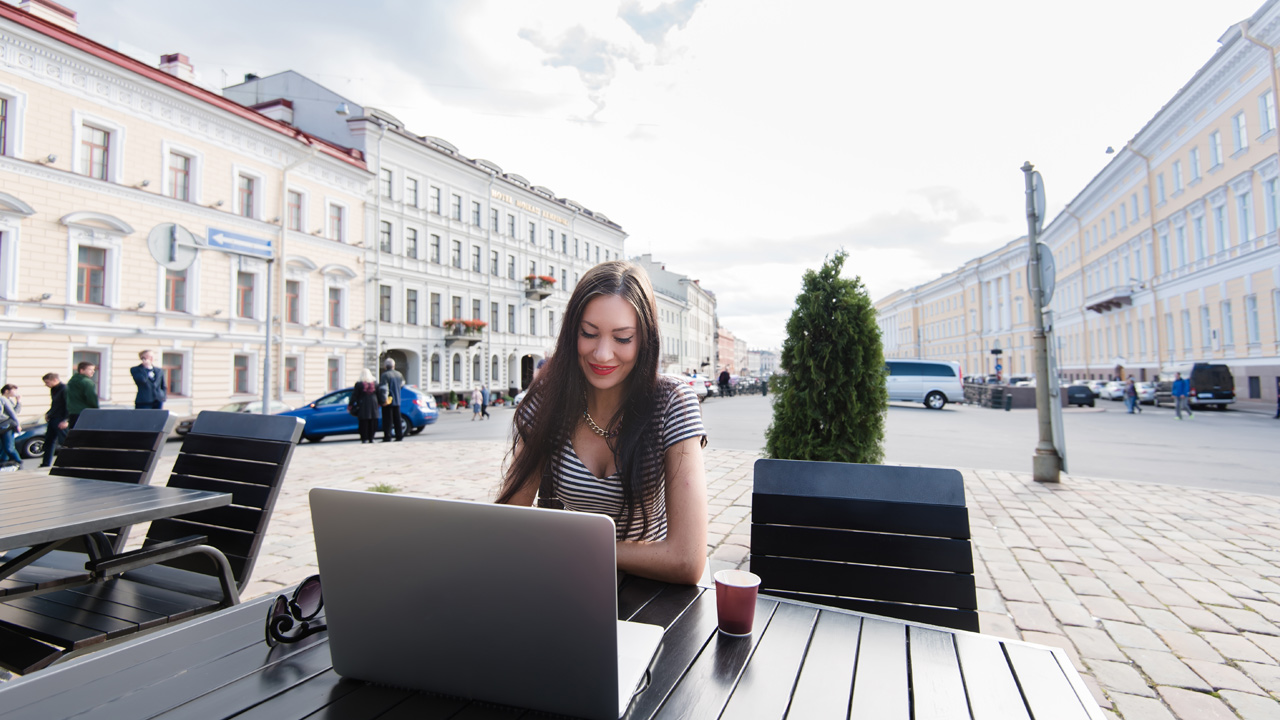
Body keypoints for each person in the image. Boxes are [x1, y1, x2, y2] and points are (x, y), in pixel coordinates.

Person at [498, 261, 708, 585]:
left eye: (623, 338)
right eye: (589, 333)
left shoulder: (672, 403)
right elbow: (508, 522)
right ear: (573, 333)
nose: (602, 354)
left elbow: (686, 559)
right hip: (572, 585)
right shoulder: (547, 401)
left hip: (653, 593)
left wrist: (577, 547)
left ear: (645, 340)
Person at [349, 369, 385, 444]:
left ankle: (364, 438)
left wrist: (351, 405)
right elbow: (379, 394)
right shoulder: (375, 383)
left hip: (363, 404)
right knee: (373, 421)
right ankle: (371, 438)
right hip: (373, 404)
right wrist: (382, 402)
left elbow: (354, 395)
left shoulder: (359, 384)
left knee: (363, 422)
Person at [40, 372, 68, 468]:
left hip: (61, 419)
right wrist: (49, 413)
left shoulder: (65, 389)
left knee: (64, 442)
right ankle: (45, 464)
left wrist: (66, 420)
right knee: (49, 441)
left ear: (55, 380)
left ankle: (66, 464)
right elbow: (55, 404)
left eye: (47, 382)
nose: (46, 385)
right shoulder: (53, 389)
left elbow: (68, 405)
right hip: (53, 418)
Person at [66, 361, 100, 429]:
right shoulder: (87, 382)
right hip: (85, 413)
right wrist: (96, 409)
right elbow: (91, 398)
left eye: (93, 370)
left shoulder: (71, 381)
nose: (93, 372)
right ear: (81, 370)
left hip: (72, 412)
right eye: (90, 369)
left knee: (73, 434)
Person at [379, 358, 405, 442]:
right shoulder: (399, 374)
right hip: (397, 400)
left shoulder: (385, 375)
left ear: (385, 366)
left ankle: (387, 436)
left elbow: (384, 388)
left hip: (388, 401)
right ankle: (399, 436)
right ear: (394, 366)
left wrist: (383, 400)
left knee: (387, 420)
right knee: (397, 419)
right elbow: (402, 384)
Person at [0, 384, 21, 471]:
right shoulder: (2, 399)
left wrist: (19, 402)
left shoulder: (9, 400)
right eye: (14, 390)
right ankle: (13, 462)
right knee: (6, 447)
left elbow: (15, 412)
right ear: (7, 391)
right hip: (5, 425)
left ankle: (17, 462)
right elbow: (11, 414)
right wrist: (17, 424)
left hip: (7, 426)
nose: (16, 392)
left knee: (7, 447)